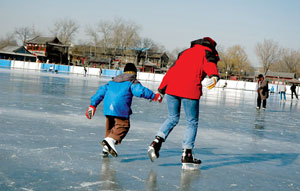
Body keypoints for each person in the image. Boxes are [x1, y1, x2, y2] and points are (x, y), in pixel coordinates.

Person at [147, 37, 220, 170]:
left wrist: (161, 90)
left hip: (172, 89)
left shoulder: (185, 52)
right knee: (192, 122)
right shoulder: (207, 53)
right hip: (190, 90)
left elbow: (171, 71)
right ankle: (187, 155)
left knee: (172, 118)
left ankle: (156, 142)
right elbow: (210, 65)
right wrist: (214, 76)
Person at [85, 63, 161, 157]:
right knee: (123, 126)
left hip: (108, 108)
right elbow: (140, 91)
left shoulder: (113, 81)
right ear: (134, 73)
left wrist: (93, 105)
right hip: (119, 108)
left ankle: (106, 149)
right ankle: (110, 141)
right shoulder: (132, 81)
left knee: (111, 127)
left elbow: (101, 91)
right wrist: (154, 96)